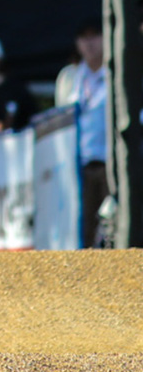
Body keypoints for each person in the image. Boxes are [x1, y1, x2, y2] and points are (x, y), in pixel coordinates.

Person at [55, 19, 109, 248]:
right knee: (83, 227)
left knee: (114, 225)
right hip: (79, 165)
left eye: (95, 35)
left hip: (111, 164)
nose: (89, 43)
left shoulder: (124, 72)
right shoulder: (69, 77)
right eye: (83, 37)